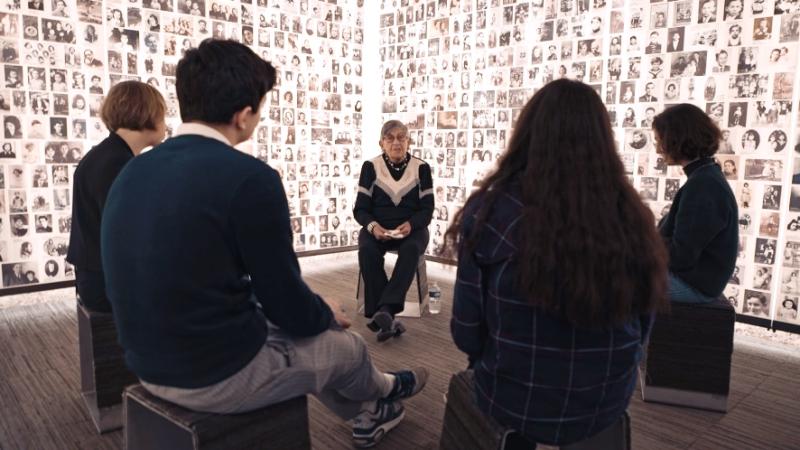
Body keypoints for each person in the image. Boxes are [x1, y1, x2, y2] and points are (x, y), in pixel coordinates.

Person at [101, 39, 427, 449]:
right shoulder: (251, 179)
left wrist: (308, 310)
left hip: (146, 363)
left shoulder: (132, 172)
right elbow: (287, 304)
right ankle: (386, 391)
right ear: (243, 115)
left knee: (314, 331)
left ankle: (370, 410)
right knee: (346, 347)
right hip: (213, 375)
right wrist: (320, 312)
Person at [445, 79, 668, 448]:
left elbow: (466, 332)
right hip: (604, 402)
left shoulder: (492, 212)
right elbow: (643, 327)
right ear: (602, 142)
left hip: (514, 400)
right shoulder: (631, 216)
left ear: (528, 134)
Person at [67, 81, 167, 313]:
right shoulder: (118, 163)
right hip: (104, 284)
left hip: (94, 276)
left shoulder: (107, 154)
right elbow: (129, 237)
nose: (165, 123)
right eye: (163, 114)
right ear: (147, 114)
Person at [354, 120, 434, 341]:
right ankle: (388, 317)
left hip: (413, 230)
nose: (396, 143)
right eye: (390, 138)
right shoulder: (370, 167)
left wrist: (412, 224)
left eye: (401, 137)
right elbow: (360, 209)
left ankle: (385, 312)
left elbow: (427, 210)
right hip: (378, 228)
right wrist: (372, 226)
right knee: (367, 250)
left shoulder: (421, 168)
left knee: (410, 250)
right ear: (381, 143)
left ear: (409, 141)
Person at [654, 104, 738, 303]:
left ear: (677, 140)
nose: (658, 149)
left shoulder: (703, 185)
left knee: (611, 282)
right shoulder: (705, 176)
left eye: (659, 141)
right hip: (697, 279)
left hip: (694, 285)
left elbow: (680, 257)